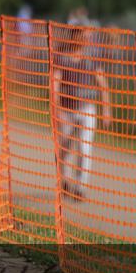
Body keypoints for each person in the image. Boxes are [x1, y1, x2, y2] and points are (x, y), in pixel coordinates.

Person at [51, 27, 111, 200]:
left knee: (84, 148)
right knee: (65, 148)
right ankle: (65, 181)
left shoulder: (91, 59)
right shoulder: (62, 58)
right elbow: (55, 83)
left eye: (88, 36)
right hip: (66, 110)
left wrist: (106, 109)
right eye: (83, 36)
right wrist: (54, 107)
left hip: (87, 109)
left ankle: (80, 187)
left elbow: (102, 84)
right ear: (75, 36)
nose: (86, 39)